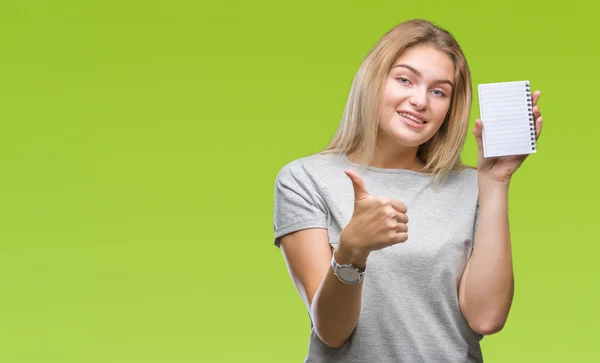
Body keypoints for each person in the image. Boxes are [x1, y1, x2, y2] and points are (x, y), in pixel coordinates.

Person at [272, 19, 543, 363]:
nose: (420, 101)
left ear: (450, 109)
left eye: (438, 91)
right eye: (404, 79)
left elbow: (486, 318)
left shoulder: (471, 187)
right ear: (374, 80)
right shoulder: (305, 179)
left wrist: (495, 183)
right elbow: (333, 330)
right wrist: (352, 250)